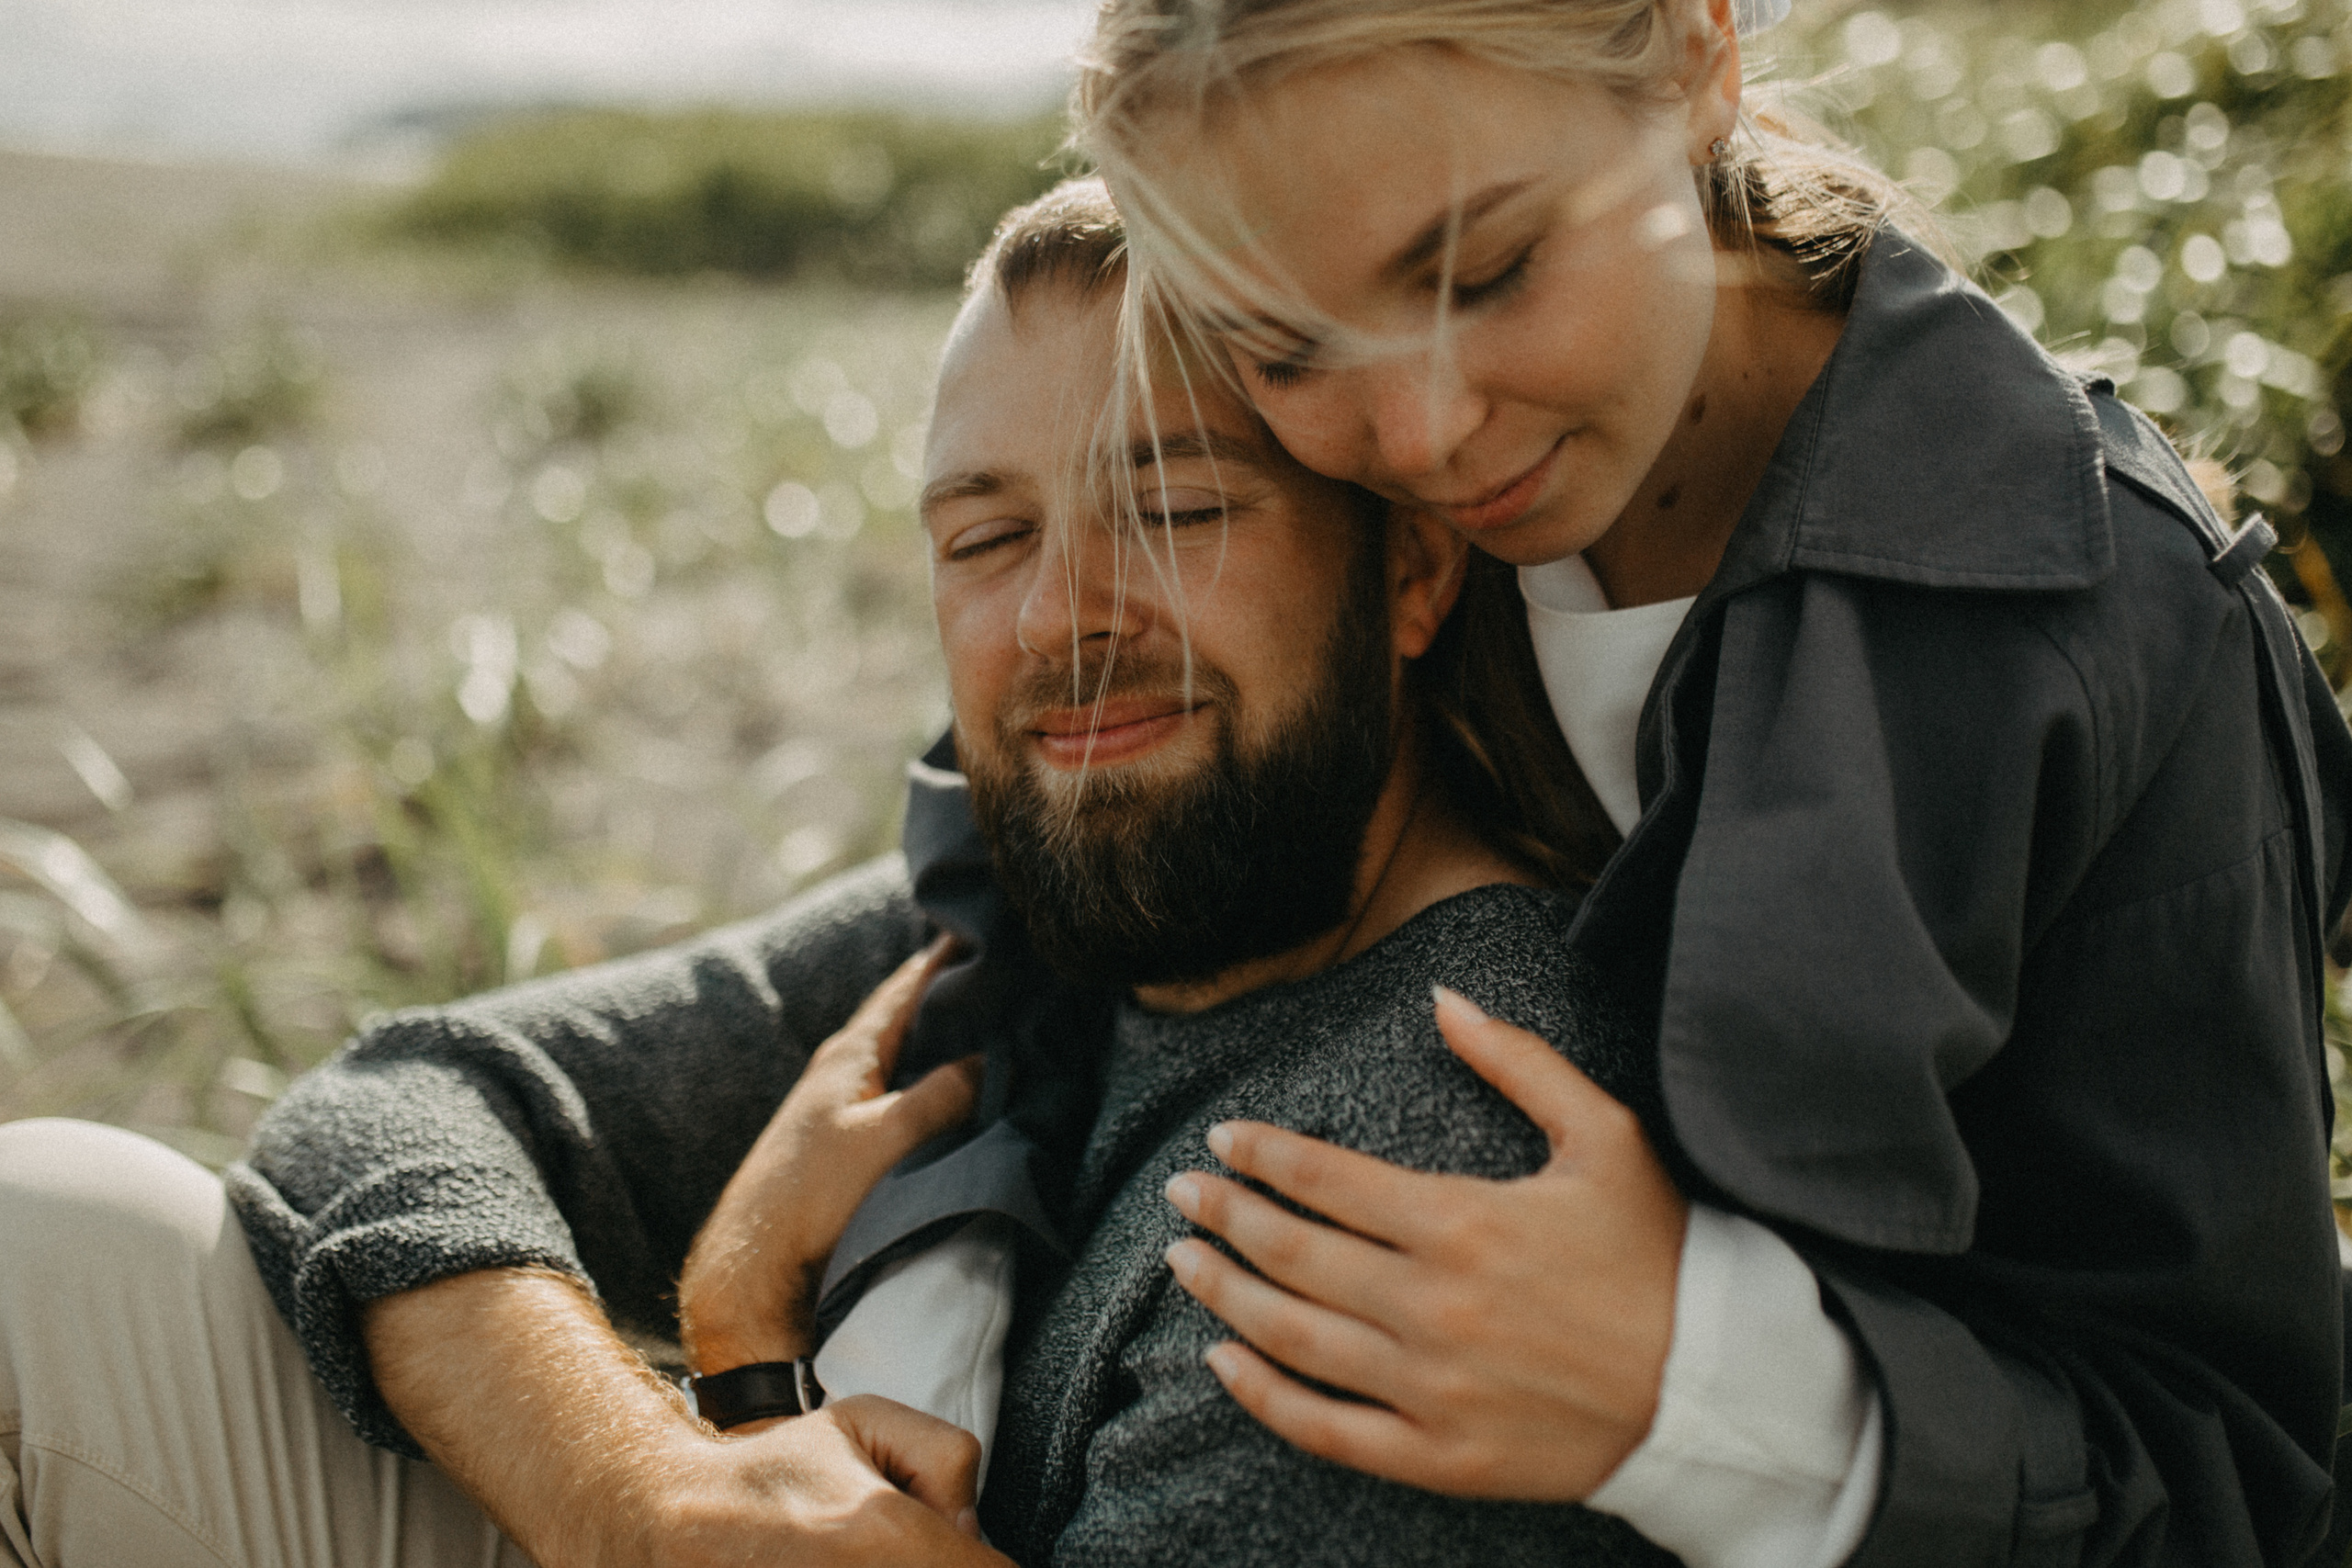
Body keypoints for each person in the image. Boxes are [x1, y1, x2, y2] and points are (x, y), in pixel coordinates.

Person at [0, 180, 1657, 1568]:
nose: (1064, 620)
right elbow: (403, 1096)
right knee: (54, 1250)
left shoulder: (1424, 1154)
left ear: (1413, 565)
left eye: (1172, 509)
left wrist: (743, 1367)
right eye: (988, 538)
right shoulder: (1061, 913)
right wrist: (643, 1492)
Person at [915, 2, 2352, 1566]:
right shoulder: (1359, 484)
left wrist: (1702, 1383)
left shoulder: (2113, 635)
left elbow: (2239, 1477)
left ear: (1691, 54)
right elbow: (1044, 795)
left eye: (1486, 274)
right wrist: (908, 1291)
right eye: (1287, 346)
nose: (1422, 432)